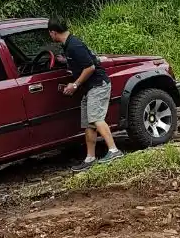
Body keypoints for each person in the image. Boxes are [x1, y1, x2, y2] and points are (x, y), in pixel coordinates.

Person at [48, 16, 124, 171]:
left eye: (50, 34)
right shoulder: (68, 45)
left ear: (53, 33)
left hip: (98, 85)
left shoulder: (74, 45)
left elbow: (90, 67)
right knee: (88, 124)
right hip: (89, 88)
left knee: (96, 118)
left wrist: (75, 85)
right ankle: (90, 158)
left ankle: (114, 151)